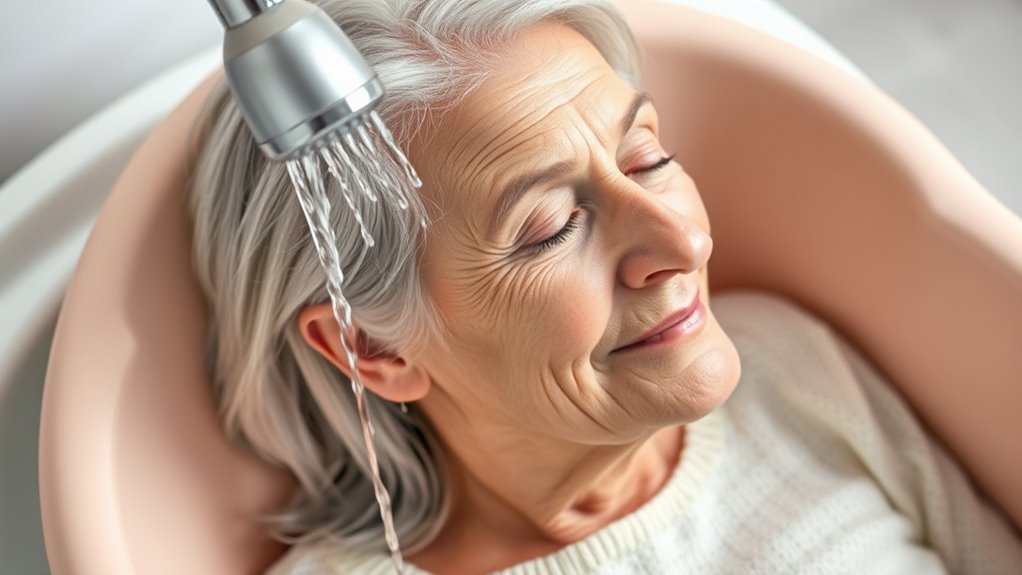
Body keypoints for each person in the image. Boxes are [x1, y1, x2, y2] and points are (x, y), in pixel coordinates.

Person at [188, 0, 1022, 573]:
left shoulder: (791, 367)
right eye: (550, 226)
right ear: (370, 346)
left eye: (647, 158)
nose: (684, 239)